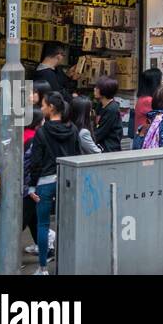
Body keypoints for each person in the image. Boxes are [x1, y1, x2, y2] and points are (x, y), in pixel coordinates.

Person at [30, 92, 83, 273]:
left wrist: (31, 186)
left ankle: (43, 268)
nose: (41, 108)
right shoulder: (73, 129)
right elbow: (77, 156)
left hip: (45, 182)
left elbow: (35, 162)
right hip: (67, 180)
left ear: (51, 108)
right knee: (67, 223)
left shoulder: (41, 132)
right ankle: (67, 264)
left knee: (43, 224)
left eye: (43, 105)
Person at [93, 76, 123, 153]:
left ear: (104, 91)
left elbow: (101, 131)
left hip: (109, 149)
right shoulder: (100, 105)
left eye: (97, 88)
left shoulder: (112, 109)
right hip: (101, 145)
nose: (94, 89)